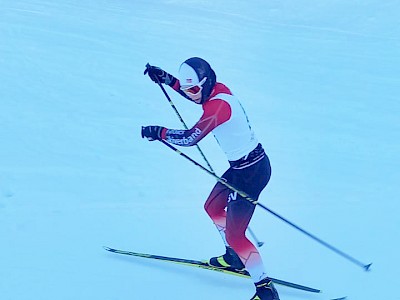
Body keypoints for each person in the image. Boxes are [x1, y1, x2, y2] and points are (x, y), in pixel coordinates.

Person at [141, 57, 279, 300]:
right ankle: (235, 257)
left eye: (194, 89)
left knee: (237, 234)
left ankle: (265, 289)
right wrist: (168, 80)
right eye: (187, 90)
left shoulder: (220, 106)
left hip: (252, 173)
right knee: (213, 207)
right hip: (240, 168)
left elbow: (190, 138)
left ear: (206, 84)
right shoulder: (213, 91)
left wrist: (159, 132)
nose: (191, 95)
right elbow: (196, 96)